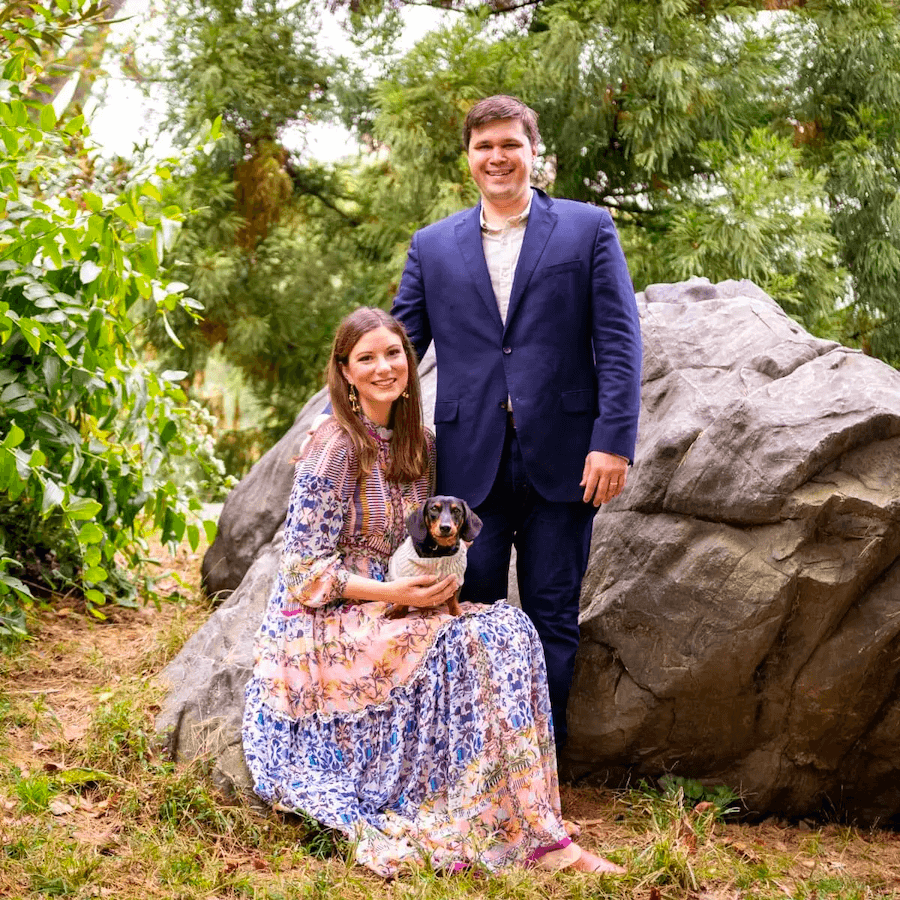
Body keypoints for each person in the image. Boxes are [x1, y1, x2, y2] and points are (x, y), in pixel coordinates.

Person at [242, 307, 625, 877]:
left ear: (410, 361)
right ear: (345, 370)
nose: (382, 367)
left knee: (510, 629)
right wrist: (393, 591)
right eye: (365, 358)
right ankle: (509, 824)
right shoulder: (332, 445)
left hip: (402, 598)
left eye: (393, 354)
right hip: (328, 619)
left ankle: (521, 815)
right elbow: (300, 572)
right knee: (476, 642)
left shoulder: (420, 442)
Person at [391, 95, 643, 750]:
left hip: (565, 462)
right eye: (484, 146)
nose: (497, 157)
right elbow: (400, 348)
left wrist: (613, 441)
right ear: (469, 159)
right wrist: (352, 422)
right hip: (465, 469)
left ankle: (540, 774)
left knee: (552, 618)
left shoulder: (588, 229)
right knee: (462, 615)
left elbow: (618, 342)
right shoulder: (432, 246)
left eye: (510, 144)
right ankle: (467, 767)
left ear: (536, 153)